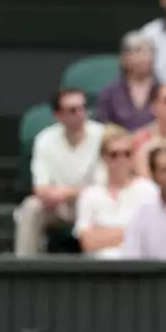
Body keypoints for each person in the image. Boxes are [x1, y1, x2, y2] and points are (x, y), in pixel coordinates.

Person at [14, 88, 104, 256]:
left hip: (94, 203)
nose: (80, 114)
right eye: (72, 110)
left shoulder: (102, 135)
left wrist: (65, 193)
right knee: (31, 208)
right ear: (58, 115)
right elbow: (40, 186)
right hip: (58, 206)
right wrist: (49, 195)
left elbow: (103, 186)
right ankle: (25, 266)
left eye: (83, 108)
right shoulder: (45, 139)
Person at [73, 125, 158, 260]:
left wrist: (102, 234)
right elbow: (87, 242)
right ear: (104, 157)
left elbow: (151, 237)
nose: (121, 160)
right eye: (114, 155)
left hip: (138, 267)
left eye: (127, 154)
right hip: (99, 269)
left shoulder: (148, 190)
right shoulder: (89, 194)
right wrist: (131, 232)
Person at [95, 31, 157, 131]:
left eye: (150, 51)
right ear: (124, 58)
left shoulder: (163, 90)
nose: (146, 57)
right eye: (138, 52)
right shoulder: (110, 93)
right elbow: (102, 127)